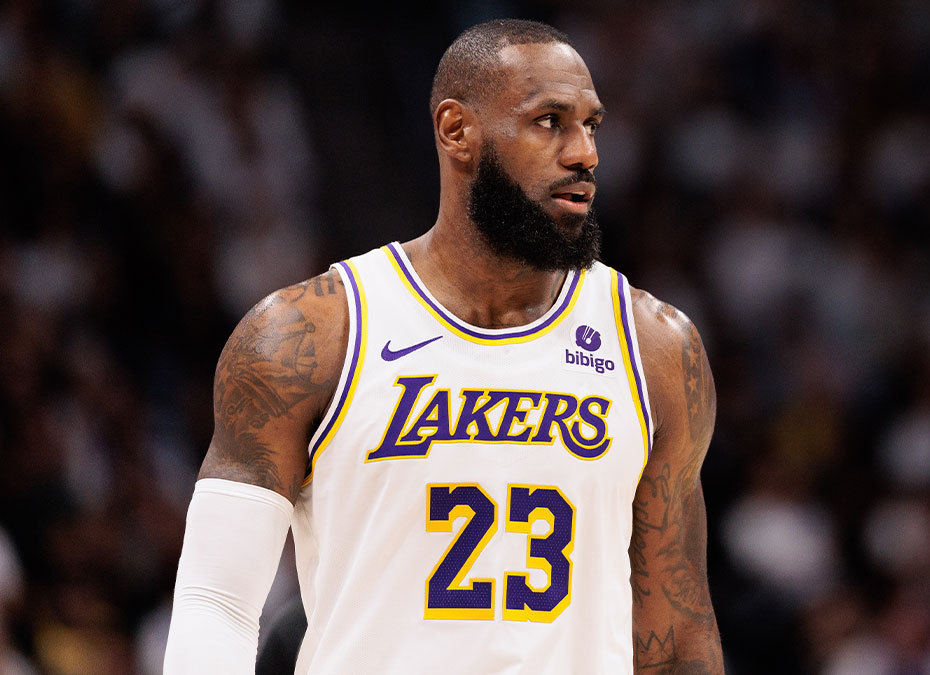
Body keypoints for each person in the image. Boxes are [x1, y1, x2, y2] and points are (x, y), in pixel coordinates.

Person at [163, 18, 723, 674]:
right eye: (550, 121)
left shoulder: (655, 348)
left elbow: (677, 638)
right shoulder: (305, 336)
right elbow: (217, 603)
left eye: (591, 125)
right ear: (457, 131)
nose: (584, 153)